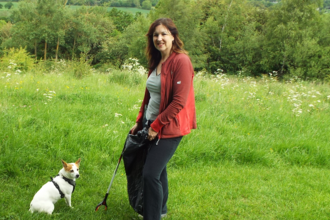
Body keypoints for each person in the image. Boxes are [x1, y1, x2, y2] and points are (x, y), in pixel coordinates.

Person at [130, 18, 197, 220]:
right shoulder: (157, 61)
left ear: (173, 36)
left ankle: (153, 217)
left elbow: (178, 102)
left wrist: (156, 126)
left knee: (150, 174)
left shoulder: (181, 61)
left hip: (170, 127)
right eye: (155, 35)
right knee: (158, 170)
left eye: (164, 34)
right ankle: (161, 210)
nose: (159, 38)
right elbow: (149, 96)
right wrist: (140, 121)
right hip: (150, 123)